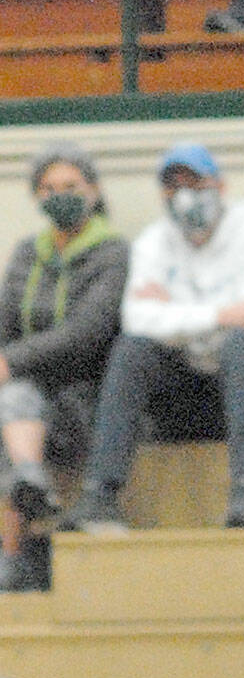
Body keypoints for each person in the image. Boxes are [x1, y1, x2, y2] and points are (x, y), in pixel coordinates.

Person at [66, 142, 244, 533]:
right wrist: (220, 313)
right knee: (132, 350)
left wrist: (173, 311)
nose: (184, 196)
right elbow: (137, 319)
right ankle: (100, 495)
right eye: (173, 186)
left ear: (220, 186)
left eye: (195, 183)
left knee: (241, 343)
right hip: (181, 392)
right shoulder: (153, 241)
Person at [0, 144, 127, 592]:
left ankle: (12, 556)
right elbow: (5, 322)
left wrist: (10, 362)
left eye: (71, 186)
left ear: (93, 190)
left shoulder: (113, 253)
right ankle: (29, 489)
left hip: (89, 395)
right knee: (11, 406)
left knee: (11, 404)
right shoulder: (26, 253)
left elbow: (87, 332)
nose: (60, 196)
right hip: (26, 393)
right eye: (49, 188)